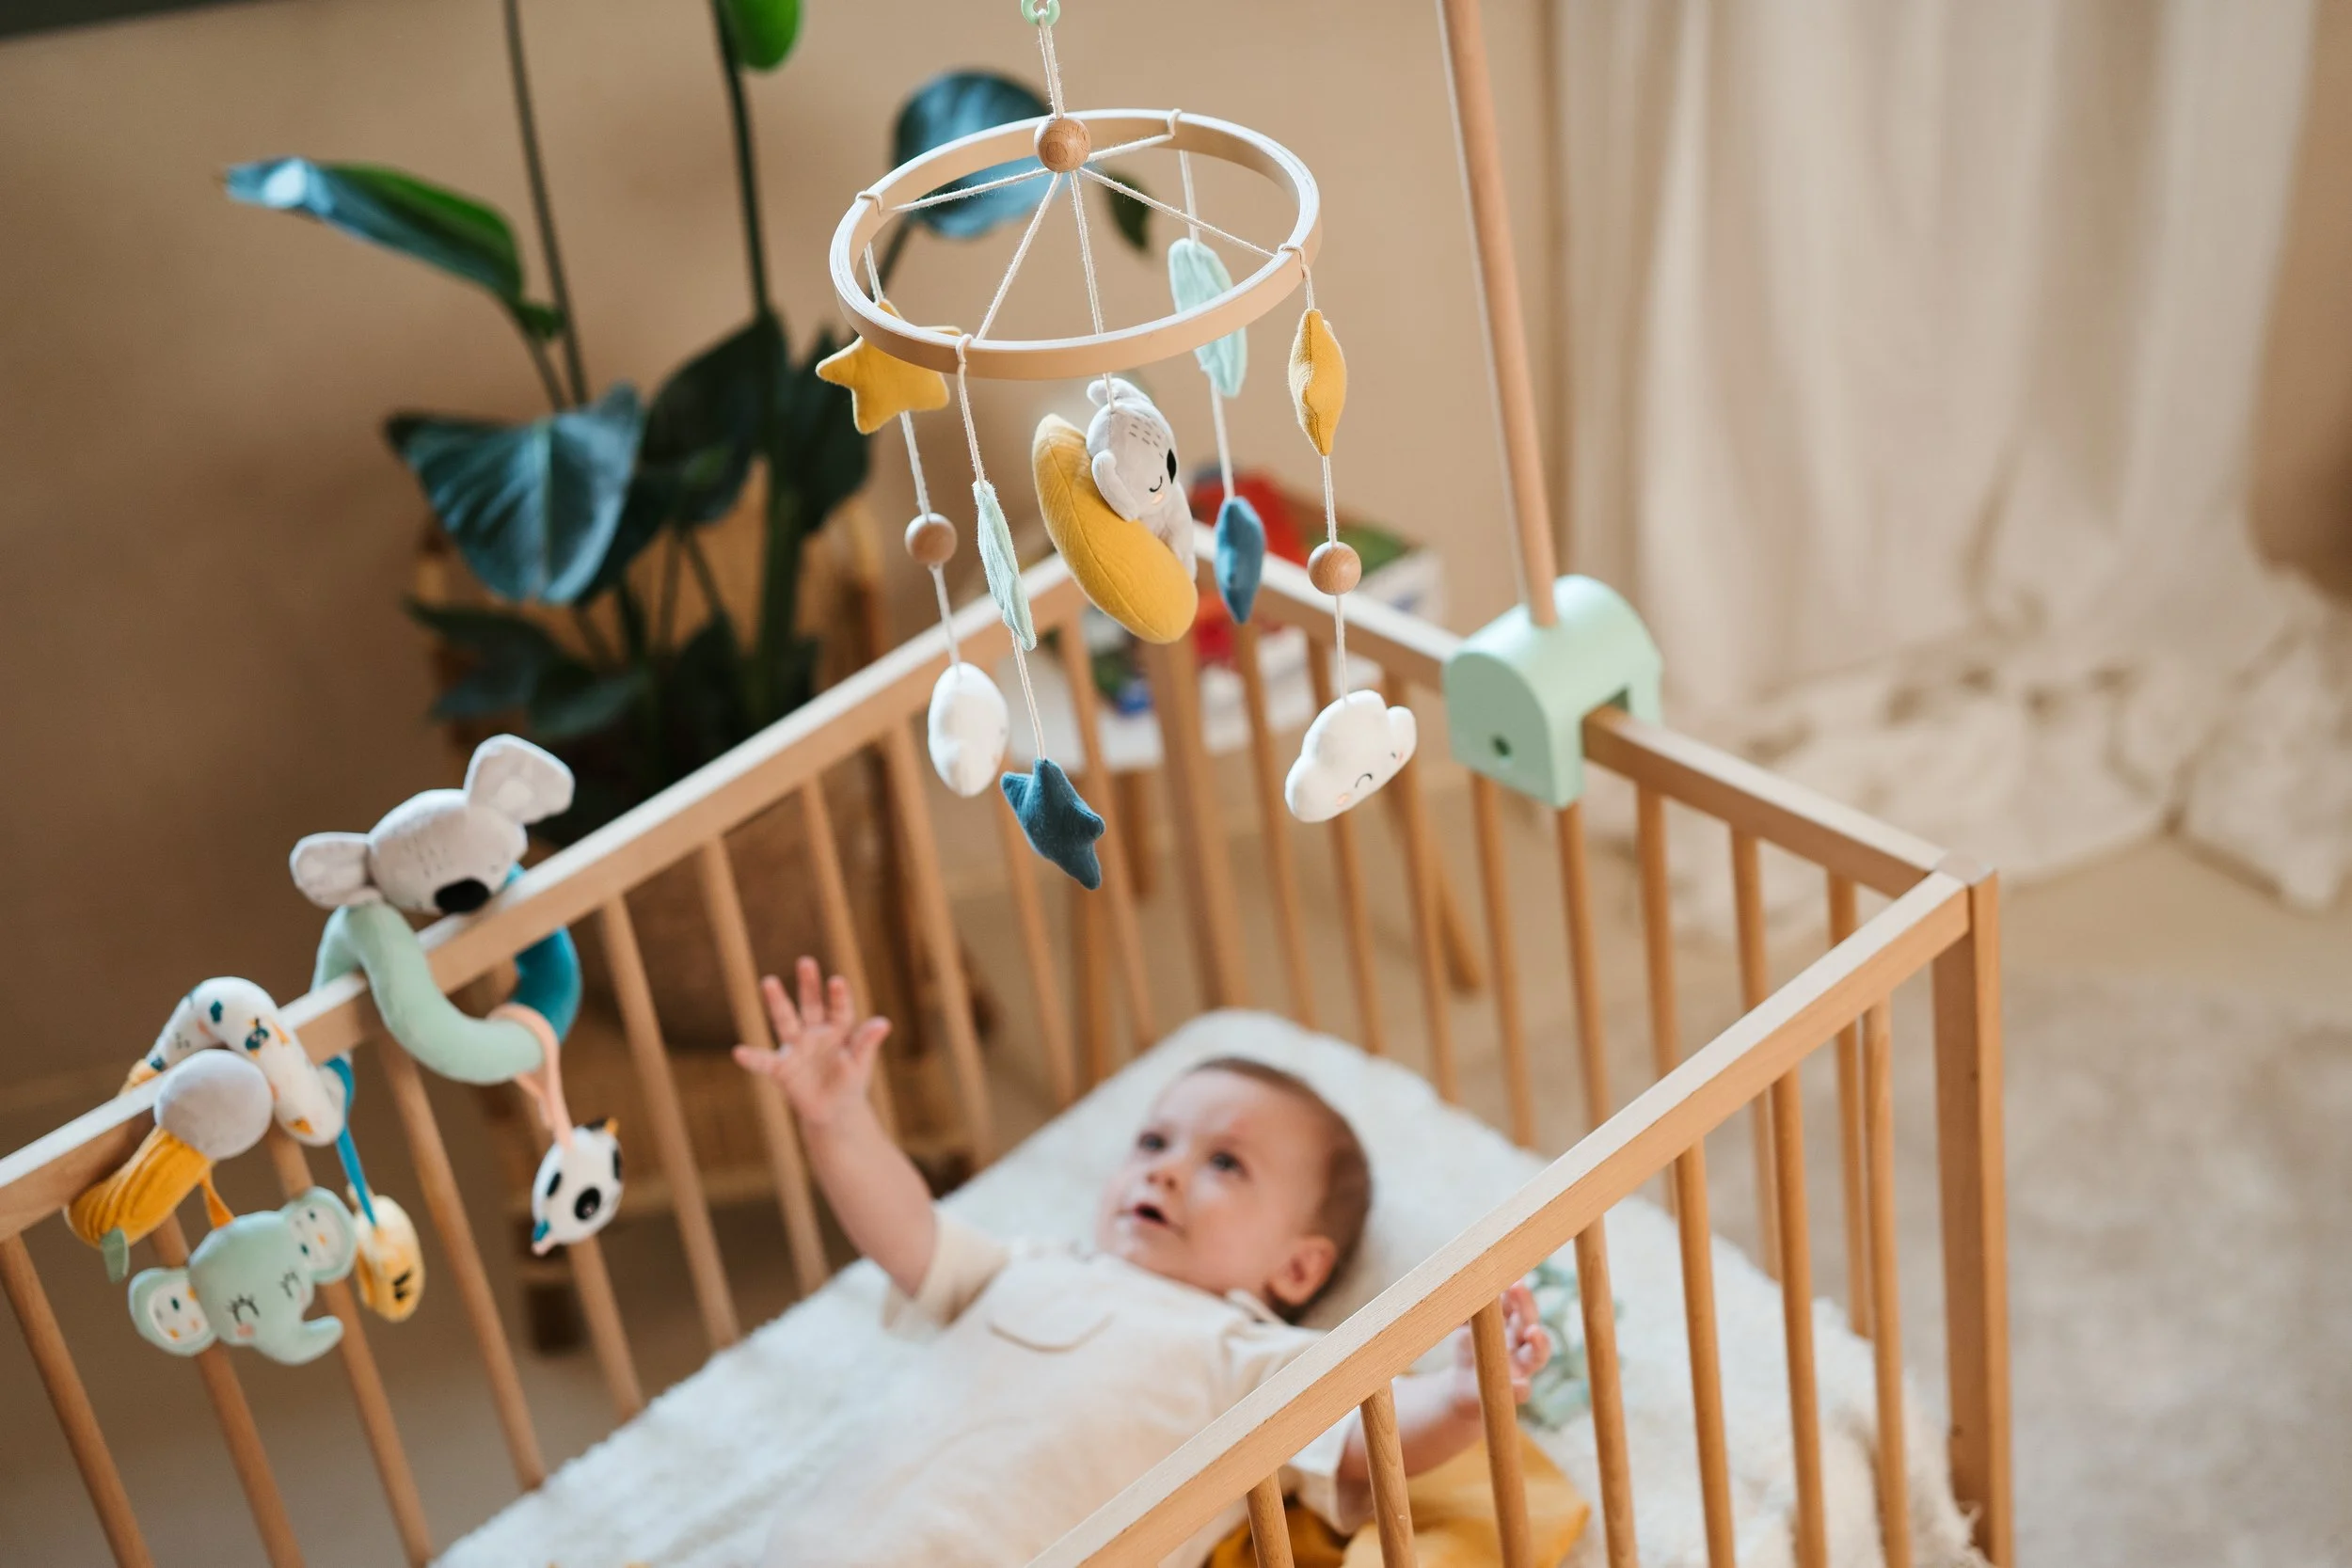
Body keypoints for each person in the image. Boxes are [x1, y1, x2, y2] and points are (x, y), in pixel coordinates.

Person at [736, 958, 1550, 1567]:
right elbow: (904, 1228)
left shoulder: (1247, 1355)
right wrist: (839, 1122)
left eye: (1225, 1163)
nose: (1163, 1168)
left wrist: (1462, 1398)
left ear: (1298, 1269)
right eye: (1154, 1141)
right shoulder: (1035, 1265)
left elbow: (1368, 1433)